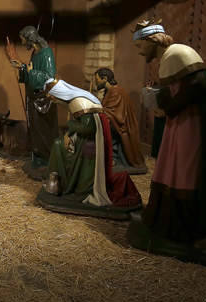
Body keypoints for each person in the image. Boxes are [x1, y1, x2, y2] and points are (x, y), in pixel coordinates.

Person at [127, 21, 206, 266]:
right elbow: (177, 88)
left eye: (140, 45)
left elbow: (198, 86)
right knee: (171, 172)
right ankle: (166, 225)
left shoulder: (178, 53)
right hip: (179, 125)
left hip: (190, 127)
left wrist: (168, 105)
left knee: (186, 174)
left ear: (152, 41)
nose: (139, 51)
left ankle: (200, 232)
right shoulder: (170, 57)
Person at [39, 79, 141, 218]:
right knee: (59, 143)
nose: (57, 102)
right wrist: (69, 133)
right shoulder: (75, 99)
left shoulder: (78, 102)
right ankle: (56, 181)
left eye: (56, 99)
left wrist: (70, 126)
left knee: (58, 146)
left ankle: (60, 183)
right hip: (85, 139)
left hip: (89, 143)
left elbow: (88, 128)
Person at [5, 25, 58, 176]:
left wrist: (25, 68)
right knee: (35, 130)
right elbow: (32, 69)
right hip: (34, 98)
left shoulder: (46, 52)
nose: (22, 44)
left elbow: (49, 77)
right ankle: (39, 158)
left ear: (30, 39)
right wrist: (21, 68)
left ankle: (49, 161)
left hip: (43, 101)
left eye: (23, 40)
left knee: (44, 132)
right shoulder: (36, 51)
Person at [91, 67, 147, 174]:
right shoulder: (110, 91)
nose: (96, 82)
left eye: (97, 79)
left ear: (105, 79)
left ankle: (113, 159)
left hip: (122, 128)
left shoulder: (116, 91)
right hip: (117, 125)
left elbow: (116, 115)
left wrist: (97, 110)